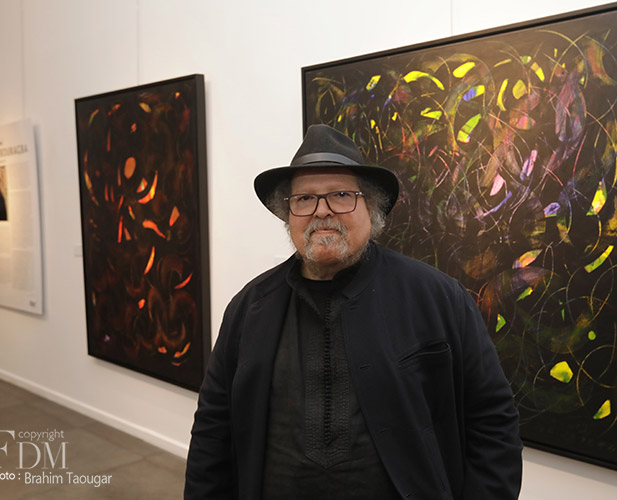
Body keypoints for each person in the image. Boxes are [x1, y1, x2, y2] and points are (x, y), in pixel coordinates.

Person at [185, 125, 522, 500]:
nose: (322, 211)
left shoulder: (438, 297)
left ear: (372, 208)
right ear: (288, 214)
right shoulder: (250, 307)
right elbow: (213, 429)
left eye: (341, 195)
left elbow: (493, 420)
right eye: (304, 199)